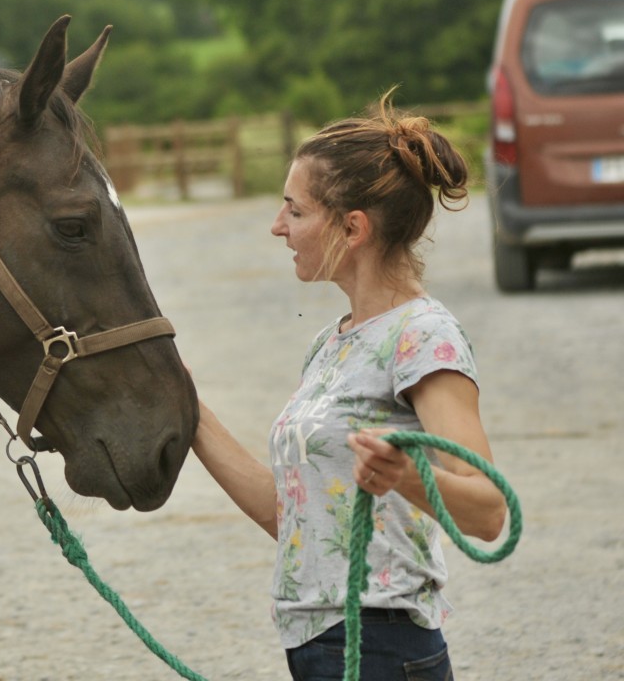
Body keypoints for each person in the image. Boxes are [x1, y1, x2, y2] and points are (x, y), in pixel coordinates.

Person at [190, 91, 508, 680]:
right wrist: (189, 411)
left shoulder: (423, 337)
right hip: (317, 643)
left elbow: (488, 513)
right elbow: (292, 517)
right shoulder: (333, 343)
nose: (277, 226)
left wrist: (408, 476)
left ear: (352, 226)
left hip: (380, 645)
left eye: (295, 210)